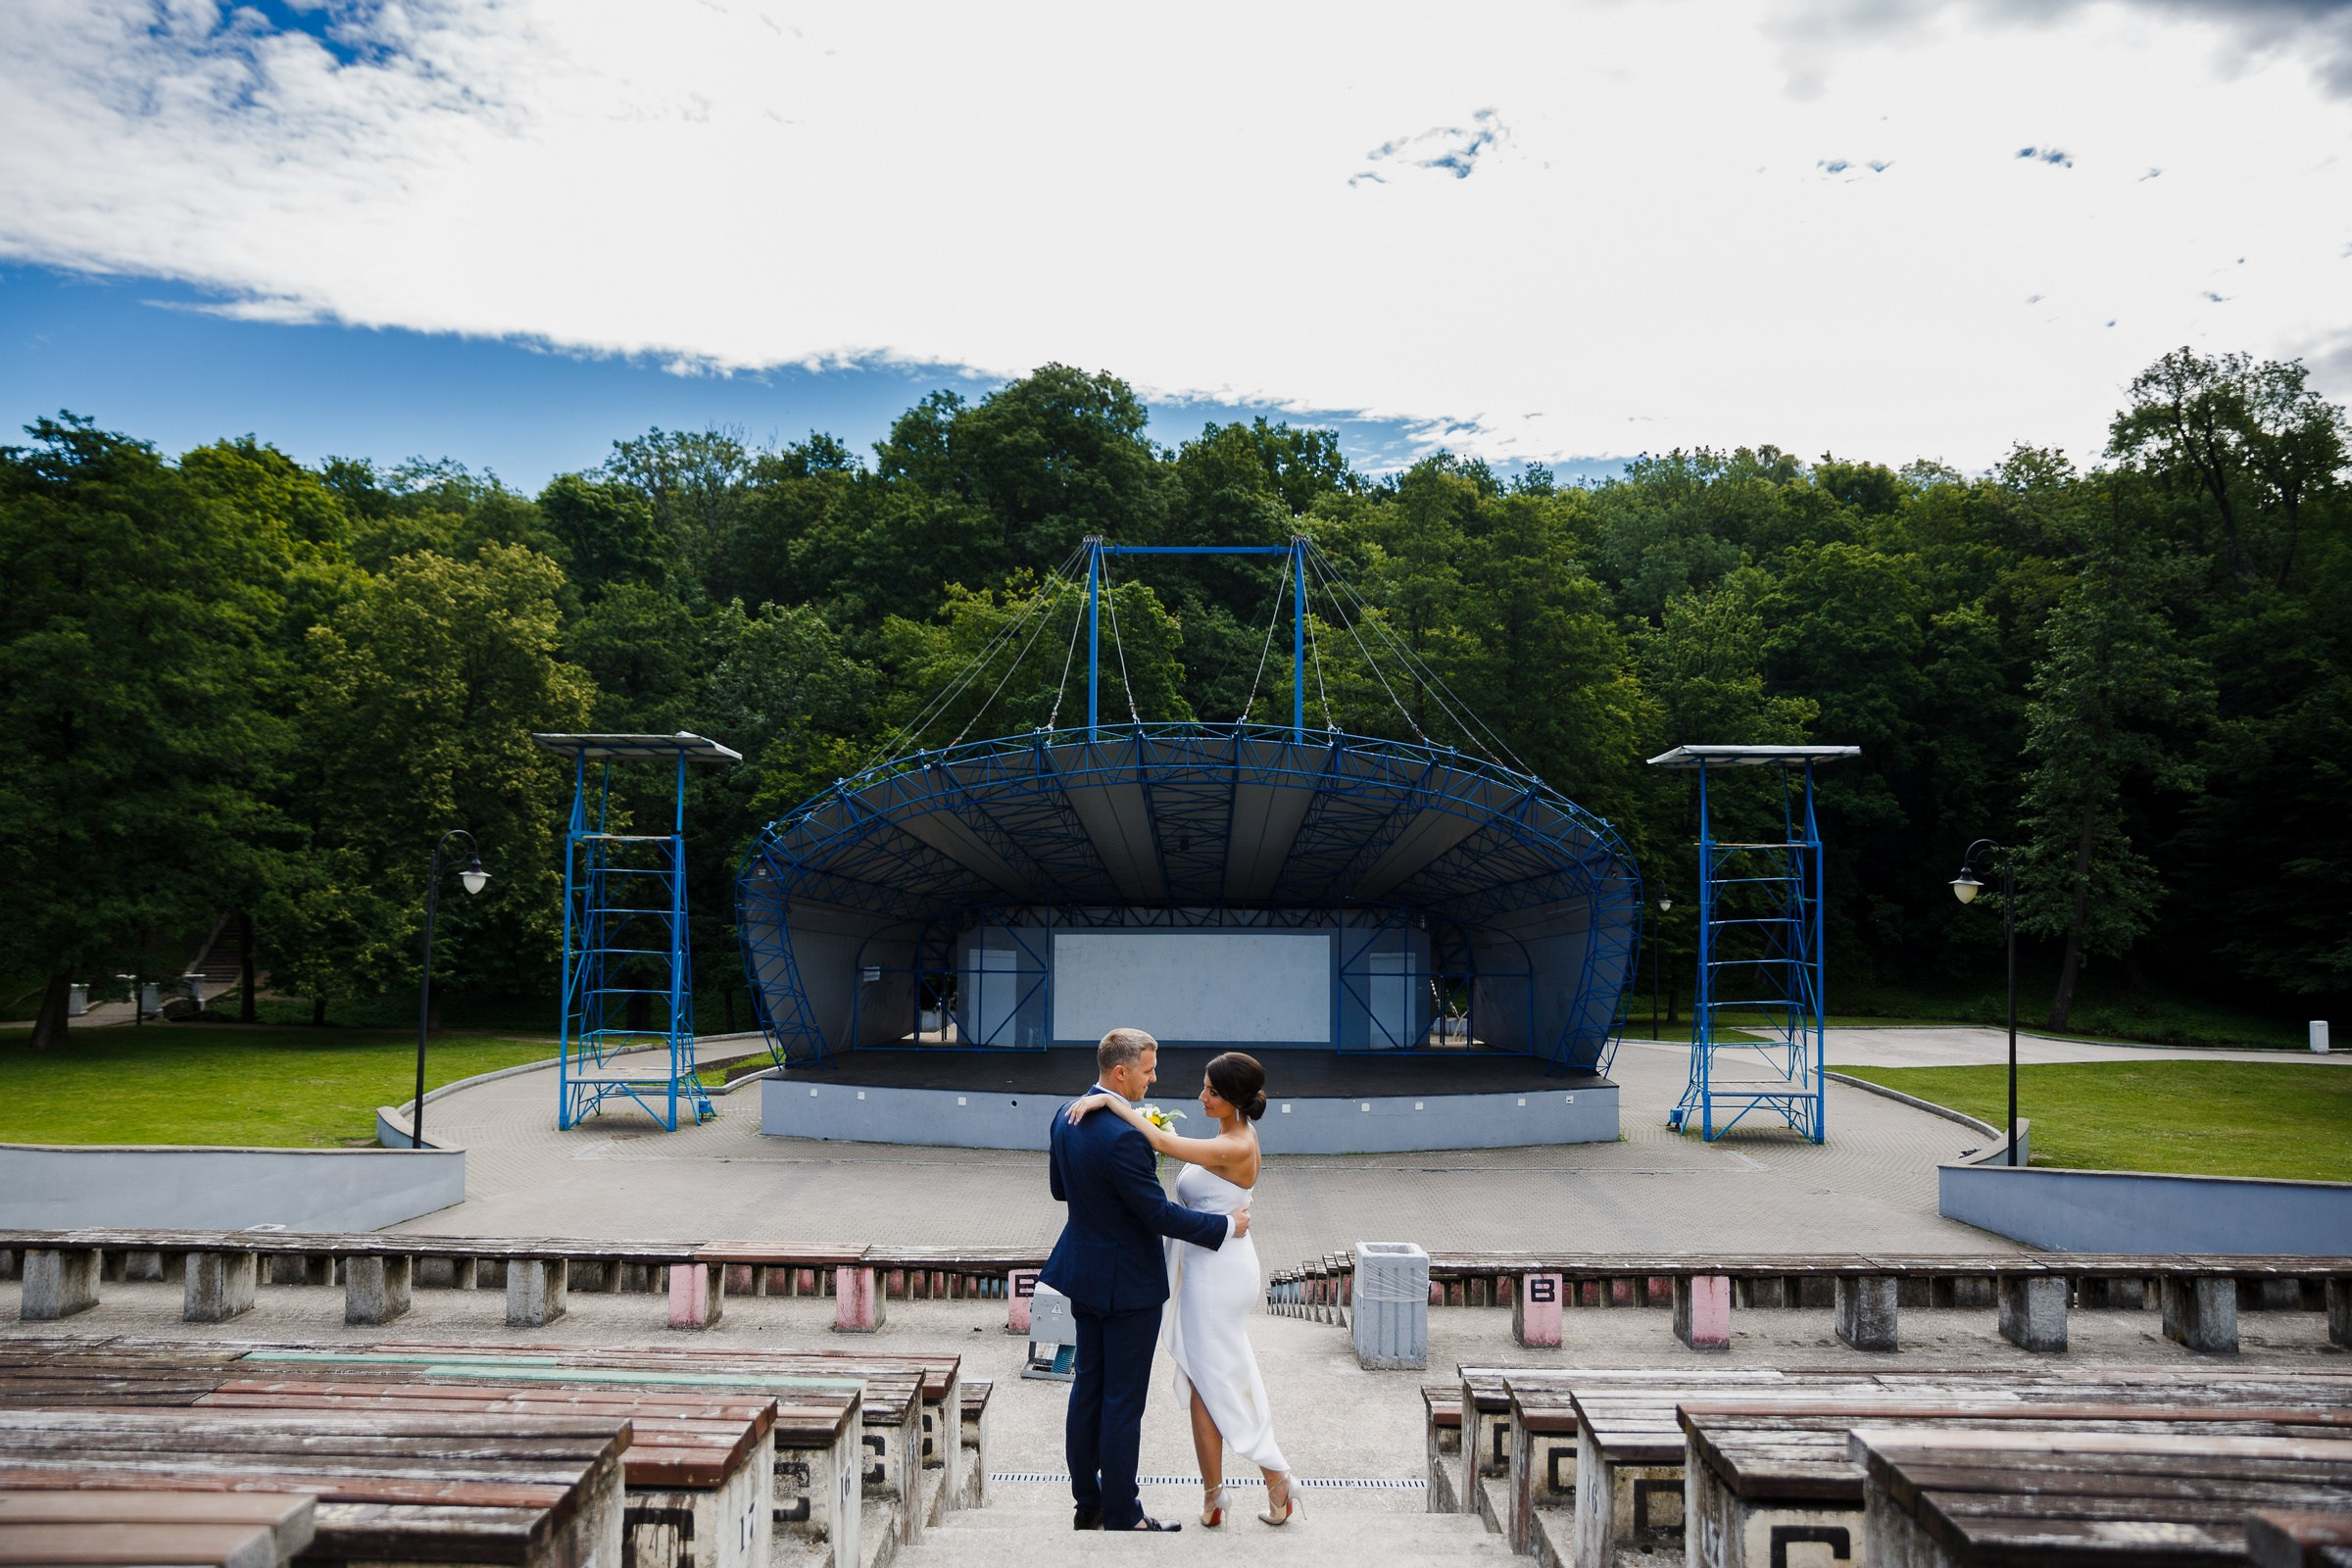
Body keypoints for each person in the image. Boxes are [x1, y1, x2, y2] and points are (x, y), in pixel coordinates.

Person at [1064, 1049, 1298, 1529]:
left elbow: (1159, 1142)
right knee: (1200, 1376)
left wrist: (1111, 1103)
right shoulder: (1225, 1135)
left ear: (1233, 1100)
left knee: (1217, 1376)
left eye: (1211, 1091)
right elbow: (1172, 1142)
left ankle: (1275, 1475)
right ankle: (1215, 1497)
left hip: (1220, 1271)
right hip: (1203, 1263)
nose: (1201, 1095)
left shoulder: (1236, 1145)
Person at [1041, 1028, 1249, 1533]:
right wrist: (1226, 1225)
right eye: (1149, 1069)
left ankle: (1086, 1504)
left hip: (1083, 1273)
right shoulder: (1124, 1137)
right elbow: (1158, 1214)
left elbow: (1058, 1190)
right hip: (1128, 1285)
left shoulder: (1064, 1117)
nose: (1154, 1078)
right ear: (1121, 1072)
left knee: (1087, 1388)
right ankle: (1121, 1513)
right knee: (1122, 1403)